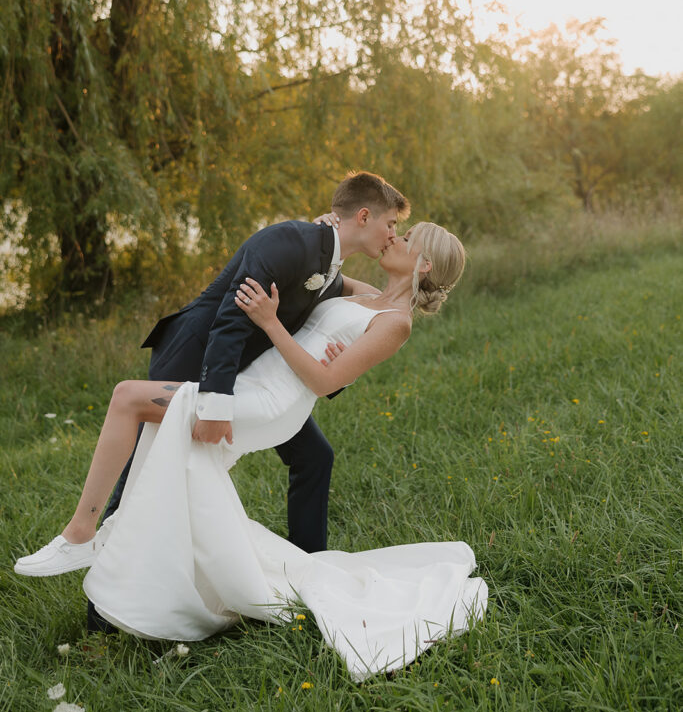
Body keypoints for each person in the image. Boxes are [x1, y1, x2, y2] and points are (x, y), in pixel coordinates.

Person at [14, 222, 487, 681]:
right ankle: (144, 584)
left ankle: (83, 537)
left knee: (128, 397)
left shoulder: (396, 323)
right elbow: (324, 273)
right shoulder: (367, 295)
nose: (395, 238)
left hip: (272, 403)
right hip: (256, 382)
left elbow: (324, 382)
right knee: (165, 462)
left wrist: (269, 321)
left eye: (407, 238)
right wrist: (322, 233)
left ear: (423, 264)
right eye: (396, 228)